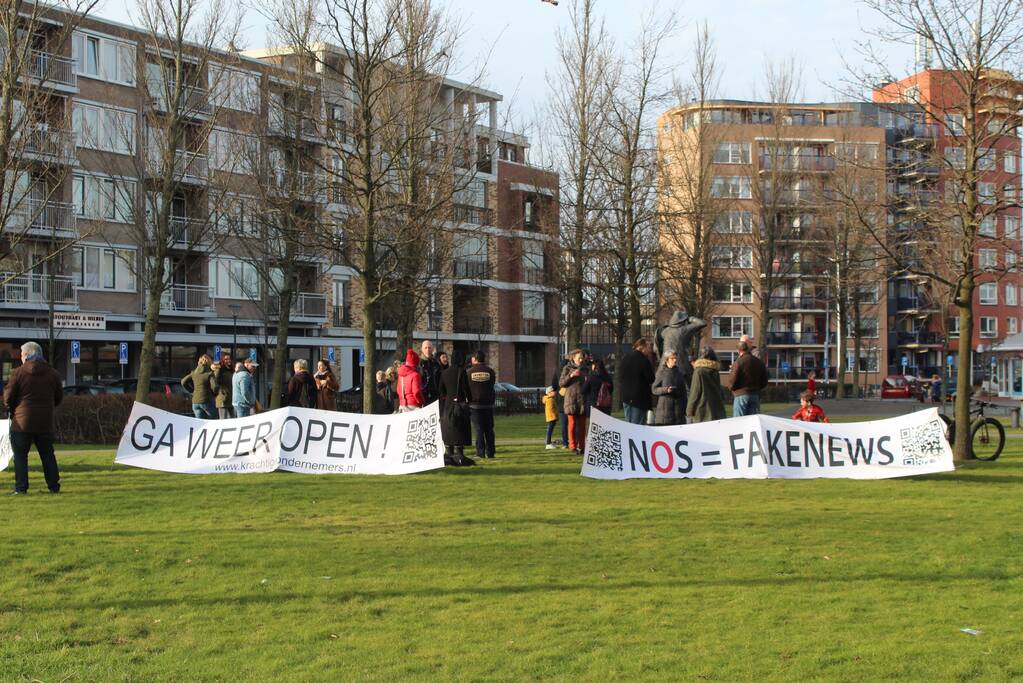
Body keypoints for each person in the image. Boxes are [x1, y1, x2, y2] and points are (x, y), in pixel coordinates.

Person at [4, 341, 63, 495]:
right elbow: (58, 397)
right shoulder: (53, 373)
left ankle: (21, 488)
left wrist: (12, 408)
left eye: (22, 355)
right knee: (48, 454)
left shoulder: (18, 373)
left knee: (20, 456)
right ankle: (54, 487)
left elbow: (8, 397)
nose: (21, 358)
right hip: (45, 422)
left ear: (28, 355)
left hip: (22, 422)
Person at [438, 351, 475, 466]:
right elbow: (466, 389)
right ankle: (459, 454)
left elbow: (441, 390)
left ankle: (449, 454)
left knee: (449, 428)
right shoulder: (462, 371)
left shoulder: (444, 372)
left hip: (448, 404)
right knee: (460, 429)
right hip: (460, 403)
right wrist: (470, 399)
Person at [466, 349, 497, 459]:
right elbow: (492, 385)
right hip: (488, 405)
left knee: (478, 429)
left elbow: (467, 388)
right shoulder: (490, 372)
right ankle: (491, 452)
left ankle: (480, 452)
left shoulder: (469, 372)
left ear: (474, 359)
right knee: (489, 429)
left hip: (474, 405)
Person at [559, 348, 591, 453]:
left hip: (582, 400)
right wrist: (571, 375)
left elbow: (589, 384)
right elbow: (561, 383)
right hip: (571, 400)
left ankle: (582, 446)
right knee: (572, 424)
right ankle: (572, 446)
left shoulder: (586, 369)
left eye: (582, 358)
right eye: (579, 358)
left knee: (582, 426)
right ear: (573, 358)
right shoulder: (567, 368)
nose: (581, 360)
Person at [618, 338, 656, 425]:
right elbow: (651, 378)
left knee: (628, 423)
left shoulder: (626, 357)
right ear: (643, 347)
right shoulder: (643, 360)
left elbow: (620, 376)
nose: (650, 350)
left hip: (626, 397)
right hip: (639, 398)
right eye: (649, 347)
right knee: (637, 425)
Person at [729, 340, 769, 416]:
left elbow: (733, 379)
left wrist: (731, 388)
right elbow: (764, 381)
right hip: (755, 395)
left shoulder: (738, 362)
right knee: (752, 422)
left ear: (738, 350)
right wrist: (757, 388)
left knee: (739, 421)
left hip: (740, 394)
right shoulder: (759, 362)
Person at [686, 347, 726, 423]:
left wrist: (689, 410)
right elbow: (719, 389)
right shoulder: (715, 370)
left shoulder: (699, 371)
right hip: (716, 409)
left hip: (702, 411)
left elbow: (695, 392)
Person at [651, 351, 687, 426]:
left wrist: (685, 409)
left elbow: (684, 392)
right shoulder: (661, 372)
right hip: (664, 412)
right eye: (672, 358)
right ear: (667, 360)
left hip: (678, 412)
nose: (675, 360)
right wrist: (666, 390)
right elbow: (654, 389)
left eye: (675, 358)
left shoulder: (679, 373)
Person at [181, 354, 216, 419]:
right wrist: (214, 394)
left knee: (200, 422)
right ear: (209, 362)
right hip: (206, 400)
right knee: (213, 420)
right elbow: (215, 387)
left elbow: (183, 382)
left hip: (195, 402)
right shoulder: (209, 373)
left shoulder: (194, 372)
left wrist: (191, 391)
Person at [551, 357, 569, 447]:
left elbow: (554, 384)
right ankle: (572, 441)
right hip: (569, 399)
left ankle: (565, 442)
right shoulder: (569, 372)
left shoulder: (557, 371)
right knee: (572, 423)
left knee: (564, 424)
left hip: (561, 399)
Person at [211, 352, 234, 419]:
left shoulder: (230, 370)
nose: (228, 360)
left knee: (233, 419)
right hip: (222, 398)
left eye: (229, 359)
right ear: (222, 360)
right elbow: (215, 381)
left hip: (230, 398)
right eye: (226, 359)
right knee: (223, 419)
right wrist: (220, 391)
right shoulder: (219, 370)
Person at [418, 340, 442, 405]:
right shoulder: (419, 363)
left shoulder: (436, 362)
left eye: (429, 347)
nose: (427, 349)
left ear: (432, 349)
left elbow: (440, 377)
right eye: (425, 348)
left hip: (435, 393)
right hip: (423, 394)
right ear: (422, 349)